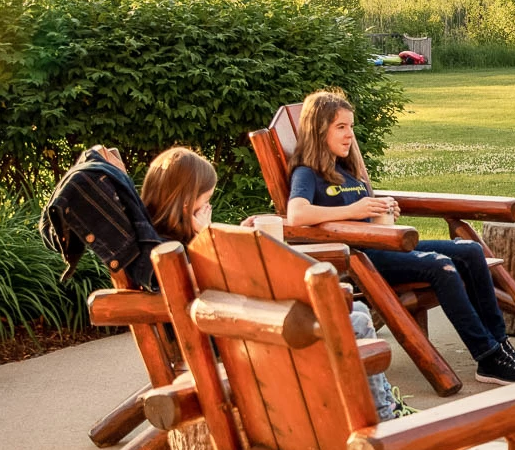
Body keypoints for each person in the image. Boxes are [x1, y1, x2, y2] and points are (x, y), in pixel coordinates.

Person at [284, 89, 515, 385]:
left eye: (350, 127)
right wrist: (355, 209)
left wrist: (384, 208)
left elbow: (375, 222)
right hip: (360, 259)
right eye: (340, 127)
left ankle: (500, 346)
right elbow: (297, 214)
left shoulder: (347, 170)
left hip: (381, 245)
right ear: (318, 131)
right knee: (440, 266)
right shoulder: (308, 173)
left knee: (469, 250)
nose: (349, 135)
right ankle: (487, 356)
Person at [139, 145, 407, 416]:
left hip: (239, 327)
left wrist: (229, 236)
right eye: (205, 201)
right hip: (232, 339)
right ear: (186, 203)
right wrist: (208, 235)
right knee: (357, 321)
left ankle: (386, 406)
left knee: (357, 311)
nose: (208, 207)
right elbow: (212, 282)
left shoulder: (175, 238)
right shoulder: (168, 250)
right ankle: (383, 415)